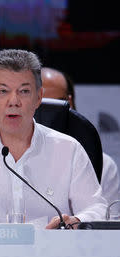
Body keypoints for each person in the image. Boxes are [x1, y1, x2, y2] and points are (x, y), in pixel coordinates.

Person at [0, 49, 106, 229]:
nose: (13, 101)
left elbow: (97, 209)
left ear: (39, 97)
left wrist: (77, 221)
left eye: (24, 91)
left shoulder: (68, 149)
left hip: (54, 253)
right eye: (3, 91)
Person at [42, 67, 120, 204]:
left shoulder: (101, 164)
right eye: (40, 105)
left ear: (69, 104)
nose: (47, 114)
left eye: (55, 105)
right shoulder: (3, 158)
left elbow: (108, 221)